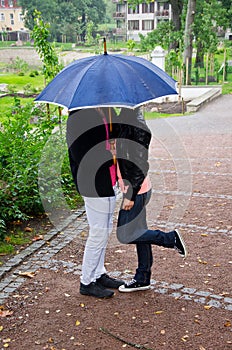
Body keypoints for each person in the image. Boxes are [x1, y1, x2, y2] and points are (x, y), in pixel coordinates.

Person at [115, 108, 187, 292]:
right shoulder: (125, 118)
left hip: (136, 192)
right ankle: (143, 277)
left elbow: (140, 165)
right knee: (139, 233)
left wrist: (130, 195)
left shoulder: (137, 126)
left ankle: (170, 238)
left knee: (125, 234)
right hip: (134, 189)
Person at [66, 108, 124, 298]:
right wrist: (112, 155)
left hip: (106, 180)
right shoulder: (78, 117)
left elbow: (112, 133)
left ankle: (99, 274)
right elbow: (81, 154)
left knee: (104, 229)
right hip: (93, 183)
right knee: (98, 231)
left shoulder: (102, 111)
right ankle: (87, 281)